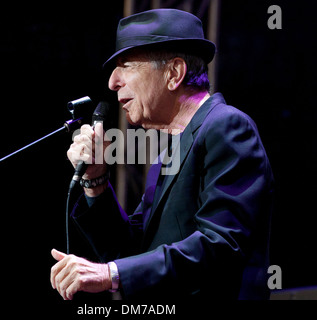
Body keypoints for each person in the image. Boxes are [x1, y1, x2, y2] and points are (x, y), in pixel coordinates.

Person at [50, 8, 274, 300]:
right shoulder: (169, 154)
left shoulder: (226, 126)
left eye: (127, 65)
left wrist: (110, 273)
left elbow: (221, 243)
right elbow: (132, 253)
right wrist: (96, 180)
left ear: (174, 73)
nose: (112, 82)